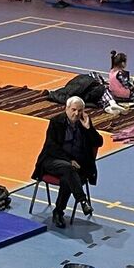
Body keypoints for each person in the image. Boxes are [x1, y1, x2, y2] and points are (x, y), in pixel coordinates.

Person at [34, 96, 101, 227]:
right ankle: (82, 200)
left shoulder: (84, 123)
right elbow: (51, 147)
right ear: (66, 109)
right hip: (53, 161)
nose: (76, 113)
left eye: (80, 110)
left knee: (67, 178)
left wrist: (89, 128)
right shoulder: (56, 122)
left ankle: (58, 212)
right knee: (69, 169)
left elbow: (98, 142)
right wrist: (69, 160)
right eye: (73, 110)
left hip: (77, 166)